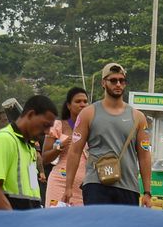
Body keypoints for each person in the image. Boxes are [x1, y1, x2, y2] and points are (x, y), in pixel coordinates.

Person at [64, 62, 152, 206]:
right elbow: (75, 151)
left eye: (122, 80)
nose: (118, 84)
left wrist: (147, 191)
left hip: (128, 187)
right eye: (113, 80)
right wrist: (68, 187)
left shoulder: (138, 117)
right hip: (96, 184)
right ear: (103, 83)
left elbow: (144, 155)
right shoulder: (88, 113)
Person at [0, 95, 58, 211]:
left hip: (30, 215)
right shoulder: (3, 140)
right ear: (31, 115)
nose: (47, 131)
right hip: (13, 219)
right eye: (45, 125)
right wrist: (14, 221)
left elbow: (32, 187)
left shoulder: (29, 147)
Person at [42, 87, 89, 208]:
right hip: (59, 182)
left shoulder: (92, 128)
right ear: (69, 105)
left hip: (83, 186)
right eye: (78, 101)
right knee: (55, 221)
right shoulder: (59, 125)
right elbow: (45, 158)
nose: (82, 104)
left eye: (85, 101)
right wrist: (59, 147)